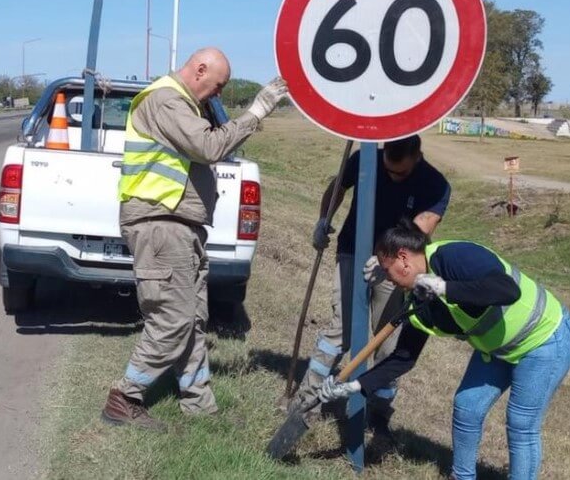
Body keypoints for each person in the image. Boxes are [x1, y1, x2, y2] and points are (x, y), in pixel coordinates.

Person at [101, 48, 288, 430]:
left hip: (179, 226)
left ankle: (199, 403)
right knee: (173, 319)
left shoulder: (182, 103)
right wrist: (256, 111)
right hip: (161, 223)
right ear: (200, 69)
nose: (217, 94)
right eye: (217, 86)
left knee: (193, 319)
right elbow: (209, 147)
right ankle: (125, 396)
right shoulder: (166, 100)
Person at [319, 219, 570, 480]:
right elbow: (404, 358)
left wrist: (444, 287)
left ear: (403, 258)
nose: (388, 279)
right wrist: (355, 385)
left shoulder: (454, 256)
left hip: (544, 339)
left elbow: (507, 290)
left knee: (521, 423)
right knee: (467, 407)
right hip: (499, 348)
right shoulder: (418, 301)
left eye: (387, 270)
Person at [292, 135, 451, 441]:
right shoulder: (365, 160)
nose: (393, 176)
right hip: (352, 251)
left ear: (417, 156)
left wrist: (385, 260)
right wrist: (323, 219)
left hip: (396, 266)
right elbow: (337, 187)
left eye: (401, 173)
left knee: (387, 342)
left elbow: (421, 230)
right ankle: (306, 401)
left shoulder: (435, 184)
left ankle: (378, 413)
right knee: (340, 330)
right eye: (389, 170)